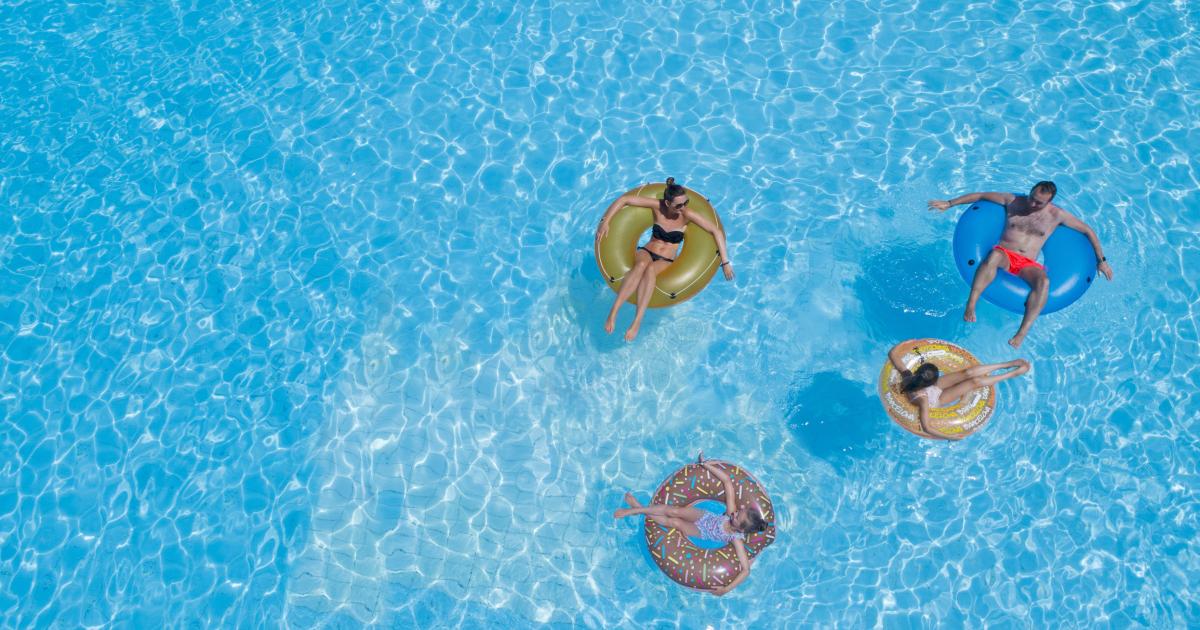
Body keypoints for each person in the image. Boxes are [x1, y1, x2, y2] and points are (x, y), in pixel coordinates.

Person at [928, 181, 1114, 348]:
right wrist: (950, 203)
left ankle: (1021, 332)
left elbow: (1088, 231)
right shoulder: (1013, 201)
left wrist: (1102, 261)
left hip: (1027, 264)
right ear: (1030, 191)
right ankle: (971, 303)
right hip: (1005, 254)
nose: (1032, 204)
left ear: (1049, 202)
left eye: (1038, 203)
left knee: (1044, 282)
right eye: (1032, 198)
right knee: (993, 256)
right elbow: (981, 195)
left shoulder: (1057, 216)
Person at [596, 177, 733, 341]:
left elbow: (715, 231)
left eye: (686, 203)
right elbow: (625, 199)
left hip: (665, 260)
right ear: (668, 203)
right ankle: (614, 312)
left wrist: (725, 262)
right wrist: (606, 221)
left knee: (651, 270)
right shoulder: (658, 206)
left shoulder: (687, 214)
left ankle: (637, 321)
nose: (683, 208)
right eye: (679, 205)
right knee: (640, 266)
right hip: (647, 250)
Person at [614, 457, 765, 596]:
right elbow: (727, 482)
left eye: (737, 517)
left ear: (740, 529)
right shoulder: (731, 512)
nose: (735, 513)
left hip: (701, 532)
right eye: (738, 511)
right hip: (703, 516)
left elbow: (746, 570)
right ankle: (635, 510)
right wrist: (705, 465)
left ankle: (638, 508)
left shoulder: (735, 538)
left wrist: (725, 590)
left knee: (674, 523)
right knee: (674, 511)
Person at [886, 342, 1030, 440]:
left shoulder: (909, 375)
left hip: (930, 387)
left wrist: (908, 343)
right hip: (934, 399)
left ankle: (1007, 364)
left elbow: (892, 354)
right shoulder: (923, 401)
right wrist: (950, 438)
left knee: (967, 373)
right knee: (974, 382)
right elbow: (926, 427)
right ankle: (1010, 374)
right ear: (932, 380)